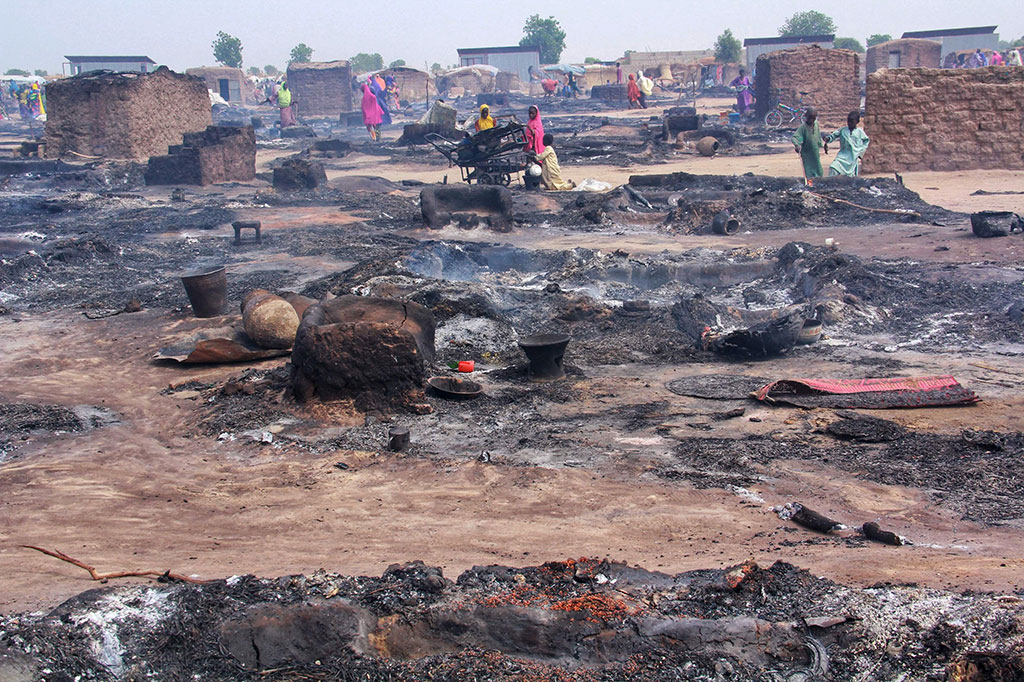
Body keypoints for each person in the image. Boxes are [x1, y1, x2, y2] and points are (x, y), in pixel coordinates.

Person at [824, 110, 870, 177]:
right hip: (842, 156)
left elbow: (866, 141)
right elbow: (833, 136)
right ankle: (831, 184)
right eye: (848, 121)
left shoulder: (860, 132)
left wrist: (860, 153)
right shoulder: (843, 130)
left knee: (850, 177)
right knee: (833, 167)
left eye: (852, 121)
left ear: (857, 122)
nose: (849, 123)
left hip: (853, 157)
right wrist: (827, 139)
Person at [792, 107, 824, 184]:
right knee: (809, 171)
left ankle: (819, 183)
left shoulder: (816, 124)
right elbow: (795, 137)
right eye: (810, 118)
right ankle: (810, 184)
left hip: (815, 152)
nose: (811, 120)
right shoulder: (803, 128)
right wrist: (797, 145)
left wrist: (821, 144)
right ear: (806, 116)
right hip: (806, 154)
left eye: (813, 118)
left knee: (818, 169)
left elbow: (818, 135)